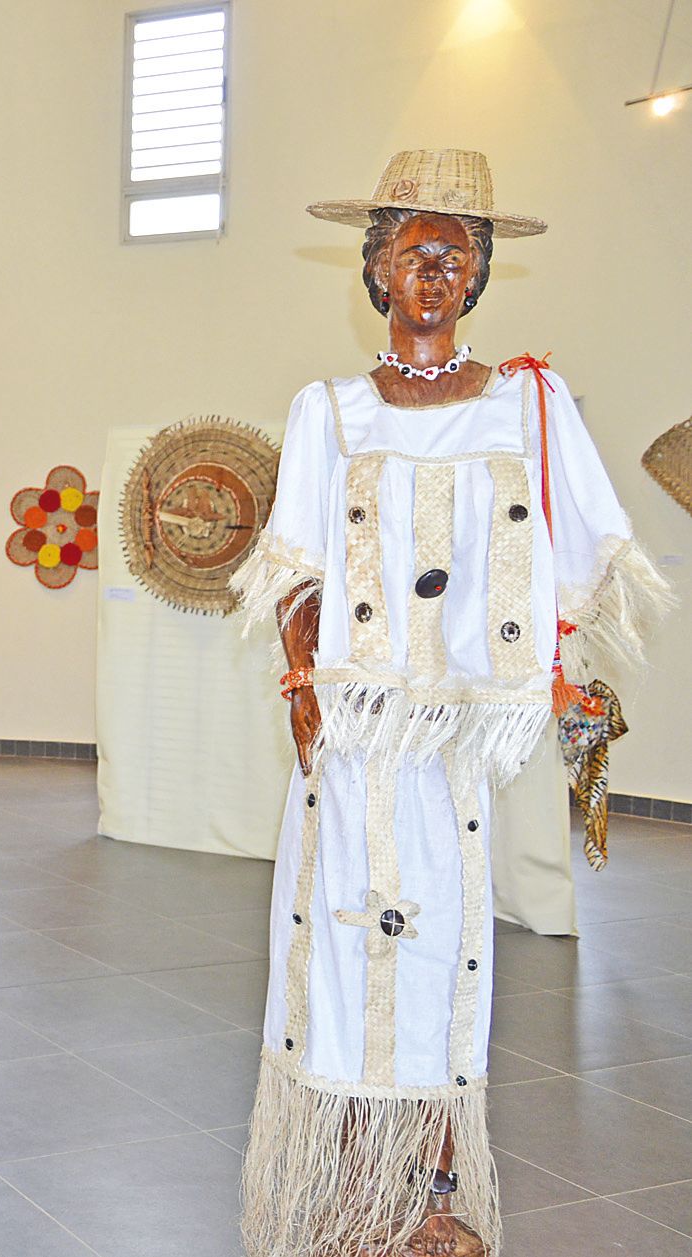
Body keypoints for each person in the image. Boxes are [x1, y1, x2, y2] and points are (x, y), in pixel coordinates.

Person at [232, 150, 672, 1257]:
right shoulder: (327, 412)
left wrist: (557, 662)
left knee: (445, 957)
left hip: (450, 744)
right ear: (373, 270)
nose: (434, 270)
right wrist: (301, 671)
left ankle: (432, 1188)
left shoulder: (528, 402)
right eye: (411, 251)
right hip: (351, 729)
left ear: (478, 280)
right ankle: (342, 1184)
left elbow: (584, 541)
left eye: (457, 255)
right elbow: (294, 565)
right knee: (335, 954)